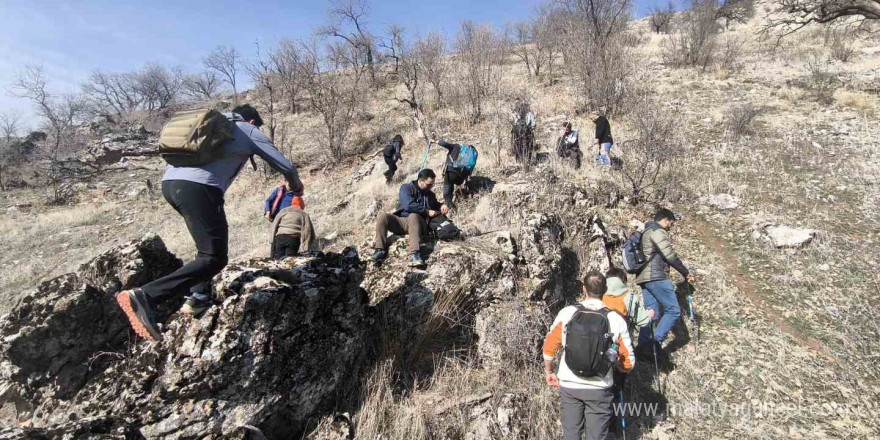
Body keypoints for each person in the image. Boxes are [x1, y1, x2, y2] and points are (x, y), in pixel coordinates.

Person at [115, 104, 304, 341]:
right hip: (199, 189)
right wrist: (296, 187)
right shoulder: (246, 128)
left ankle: (198, 298)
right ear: (253, 121)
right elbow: (285, 165)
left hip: (171, 186)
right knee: (214, 258)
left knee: (205, 249)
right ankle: (146, 296)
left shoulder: (205, 125)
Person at [543, 271, 635, 440]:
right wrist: (613, 364)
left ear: (583, 289)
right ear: (605, 290)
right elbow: (628, 363)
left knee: (571, 435)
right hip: (600, 388)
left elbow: (549, 347)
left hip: (570, 385)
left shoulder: (567, 313)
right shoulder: (615, 319)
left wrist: (549, 371)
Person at [635, 208, 695, 360]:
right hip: (657, 276)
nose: (670, 227)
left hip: (644, 278)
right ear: (666, 220)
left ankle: (642, 348)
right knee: (674, 310)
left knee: (651, 313)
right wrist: (686, 273)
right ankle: (654, 344)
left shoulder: (646, 231)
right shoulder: (658, 231)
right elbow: (670, 256)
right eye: (670, 223)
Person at [371, 168, 449, 268]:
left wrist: (442, 205)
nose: (431, 186)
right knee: (383, 216)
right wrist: (426, 211)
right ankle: (379, 250)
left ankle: (415, 254)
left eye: (432, 184)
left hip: (420, 224)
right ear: (421, 181)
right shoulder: (406, 188)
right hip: (403, 221)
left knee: (413, 216)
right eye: (429, 184)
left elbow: (435, 205)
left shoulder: (430, 195)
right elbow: (408, 205)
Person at [435, 139, 473, 208]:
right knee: (451, 185)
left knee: (447, 192)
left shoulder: (455, 146)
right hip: (461, 177)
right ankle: (459, 203)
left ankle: (449, 208)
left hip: (451, 172)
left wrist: (435, 141)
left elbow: (445, 144)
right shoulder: (467, 156)